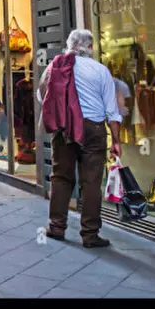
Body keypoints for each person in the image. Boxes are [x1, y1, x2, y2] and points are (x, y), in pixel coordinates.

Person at [38, 29, 121, 248]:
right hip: (93, 130)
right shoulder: (100, 71)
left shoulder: (54, 66)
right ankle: (90, 234)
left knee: (61, 177)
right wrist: (116, 140)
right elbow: (112, 111)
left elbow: (41, 96)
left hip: (64, 128)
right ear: (90, 47)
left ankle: (56, 227)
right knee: (91, 181)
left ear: (70, 45)